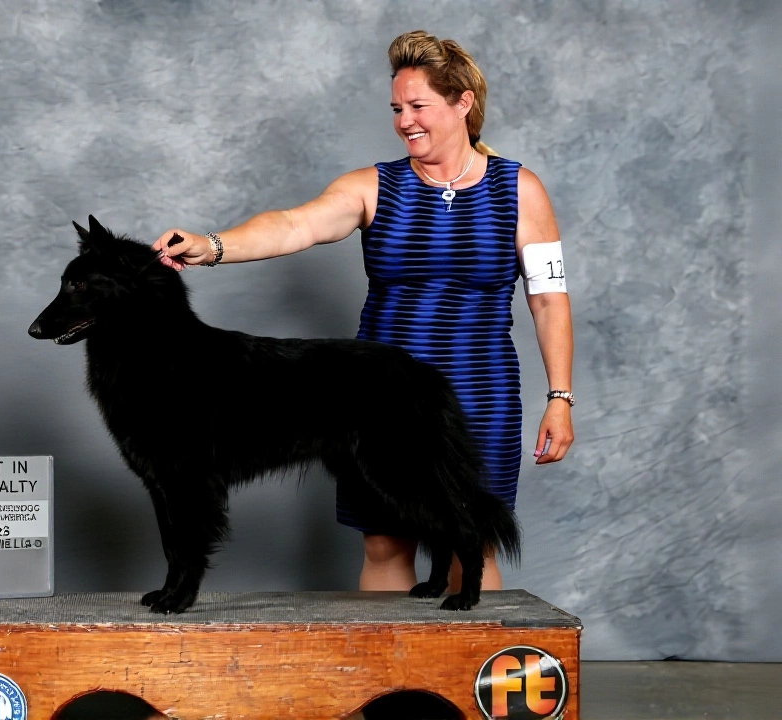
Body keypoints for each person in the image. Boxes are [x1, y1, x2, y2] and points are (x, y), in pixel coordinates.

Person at [154, 30, 574, 596]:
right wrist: (214, 244)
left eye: (418, 106)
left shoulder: (521, 190)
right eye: (398, 108)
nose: (405, 121)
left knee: (471, 542)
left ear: (462, 104)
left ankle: (462, 680)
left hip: (479, 386)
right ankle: (386, 684)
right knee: (384, 540)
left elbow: (548, 299)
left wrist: (560, 398)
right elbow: (294, 224)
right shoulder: (372, 186)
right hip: (374, 395)